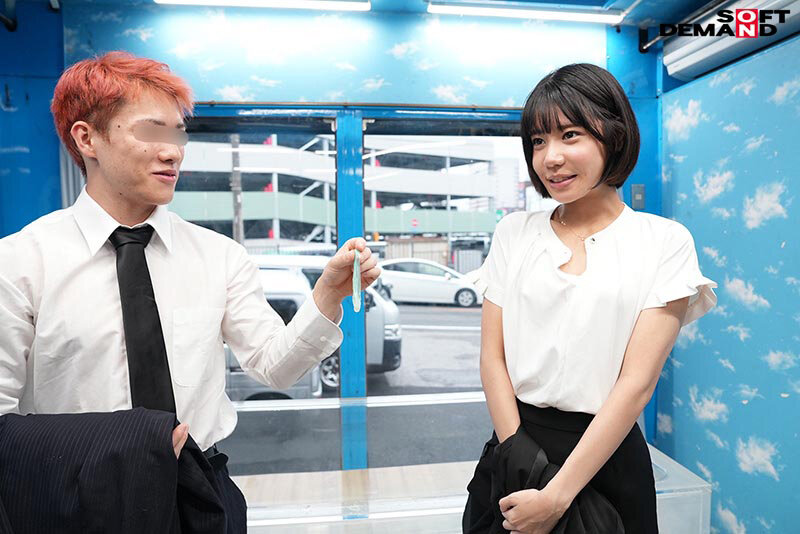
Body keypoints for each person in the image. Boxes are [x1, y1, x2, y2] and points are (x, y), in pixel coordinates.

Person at [0, 51, 380, 533]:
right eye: (151, 131)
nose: (173, 152)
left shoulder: (219, 256)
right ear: (86, 137)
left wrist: (327, 295)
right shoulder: (20, 262)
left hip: (201, 490)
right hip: (75, 495)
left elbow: (274, 366)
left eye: (178, 133)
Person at [463, 63, 717, 534]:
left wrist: (556, 496)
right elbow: (492, 358)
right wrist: (519, 457)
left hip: (606, 457)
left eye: (570, 135)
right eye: (538, 141)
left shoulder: (664, 241)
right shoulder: (514, 232)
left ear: (614, 135)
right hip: (515, 447)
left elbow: (636, 383)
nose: (550, 157)